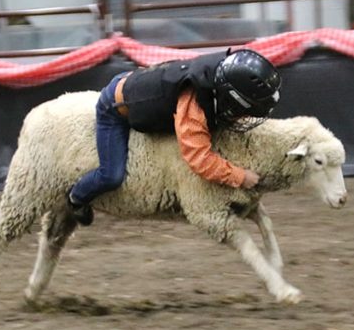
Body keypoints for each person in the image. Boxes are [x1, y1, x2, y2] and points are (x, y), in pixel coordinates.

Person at [66, 48, 283, 226]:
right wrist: (240, 176)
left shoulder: (221, 75)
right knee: (111, 175)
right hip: (113, 107)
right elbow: (199, 159)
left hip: (138, 84)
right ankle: (76, 197)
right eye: (244, 112)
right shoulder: (194, 108)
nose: (245, 118)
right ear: (231, 99)